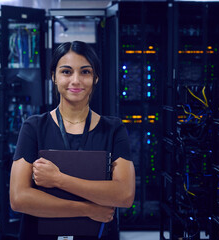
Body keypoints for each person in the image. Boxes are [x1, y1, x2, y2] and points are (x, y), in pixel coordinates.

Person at [10, 41, 135, 240]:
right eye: (66, 72)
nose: (75, 80)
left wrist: (58, 179)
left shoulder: (113, 130)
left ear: (95, 78)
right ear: (54, 77)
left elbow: (124, 195)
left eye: (85, 72)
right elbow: (18, 199)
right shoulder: (33, 127)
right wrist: (87, 209)